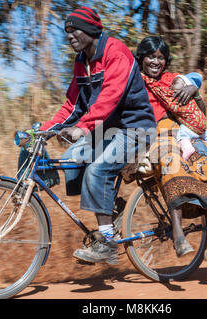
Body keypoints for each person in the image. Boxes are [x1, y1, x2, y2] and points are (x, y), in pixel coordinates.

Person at [40, 7, 156, 265]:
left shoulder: (116, 51)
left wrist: (83, 127)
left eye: (75, 30)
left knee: (97, 170)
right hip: (106, 130)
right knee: (72, 159)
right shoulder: (82, 61)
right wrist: (47, 128)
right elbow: (72, 104)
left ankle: (107, 244)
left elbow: (110, 97)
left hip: (135, 128)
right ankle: (112, 209)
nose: (69, 36)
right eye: (66, 32)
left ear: (91, 30)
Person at [135, 36, 207, 262]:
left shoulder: (171, 80)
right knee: (170, 162)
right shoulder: (135, 81)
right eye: (151, 57)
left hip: (181, 132)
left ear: (166, 61)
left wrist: (192, 86)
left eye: (161, 58)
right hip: (153, 134)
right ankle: (178, 235)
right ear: (141, 59)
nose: (156, 62)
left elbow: (197, 89)